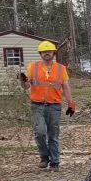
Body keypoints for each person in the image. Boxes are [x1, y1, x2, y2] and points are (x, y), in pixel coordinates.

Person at [19, 40, 76, 171]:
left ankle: (55, 162)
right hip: (37, 105)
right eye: (44, 52)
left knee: (53, 134)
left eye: (49, 51)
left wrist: (71, 104)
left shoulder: (61, 68)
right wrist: (22, 81)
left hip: (54, 106)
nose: (46, 54)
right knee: (39, 133)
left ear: (53, 53)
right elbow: (26, 86)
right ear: (40, 54)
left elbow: (66, 86)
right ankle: (44, 157)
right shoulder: (32, 67)